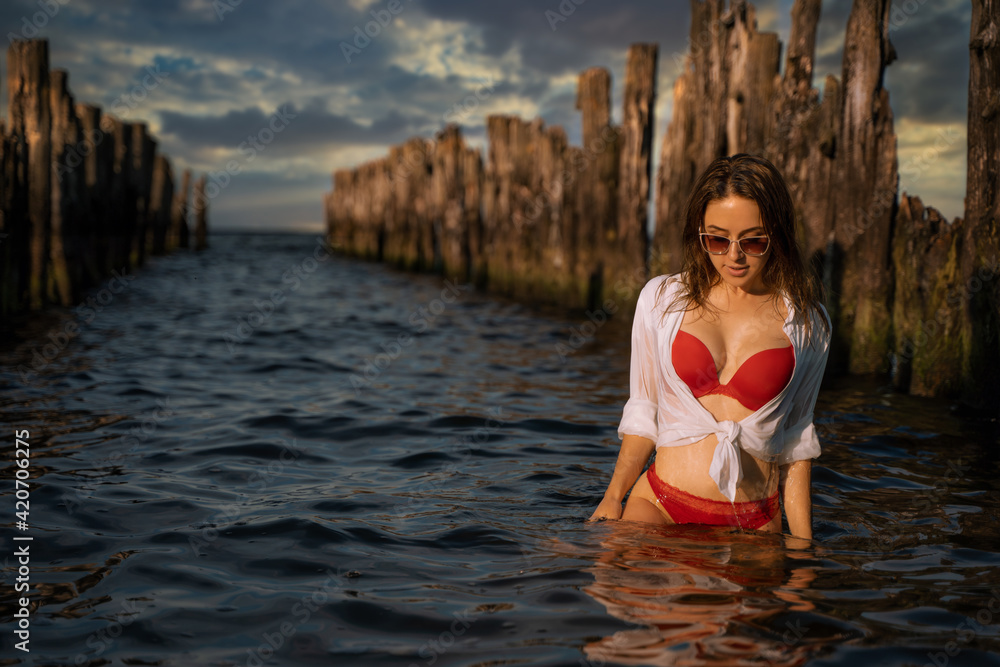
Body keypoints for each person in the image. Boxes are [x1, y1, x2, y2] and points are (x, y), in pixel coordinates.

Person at [588, 153, 830, 539]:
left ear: (779, 235)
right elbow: (643, 412)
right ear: (698, 233)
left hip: (751, 523)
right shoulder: (661, 300)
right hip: (657, 506)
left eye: (754, 241)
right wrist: (613, 496)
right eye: (717, 239)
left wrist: (803, 551)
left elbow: (797, 445)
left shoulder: (807, 324)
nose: (734, 256)